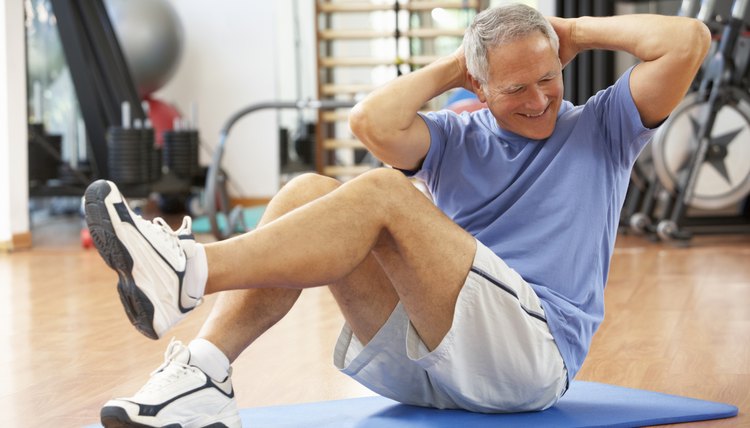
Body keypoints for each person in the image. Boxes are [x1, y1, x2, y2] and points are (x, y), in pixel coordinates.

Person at [85, 4, 710, 427]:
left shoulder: (604, 126)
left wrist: (568, 31)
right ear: (480, 88)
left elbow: (689, 41)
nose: (541, 99)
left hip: (527, 360)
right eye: (515, 88)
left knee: (383, 193)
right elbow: (370, 122)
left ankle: (188, 270)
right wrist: (457, 64)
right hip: (425, 366)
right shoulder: (455, 140)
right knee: (308, 190)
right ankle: (203, 376)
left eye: (549, 79)